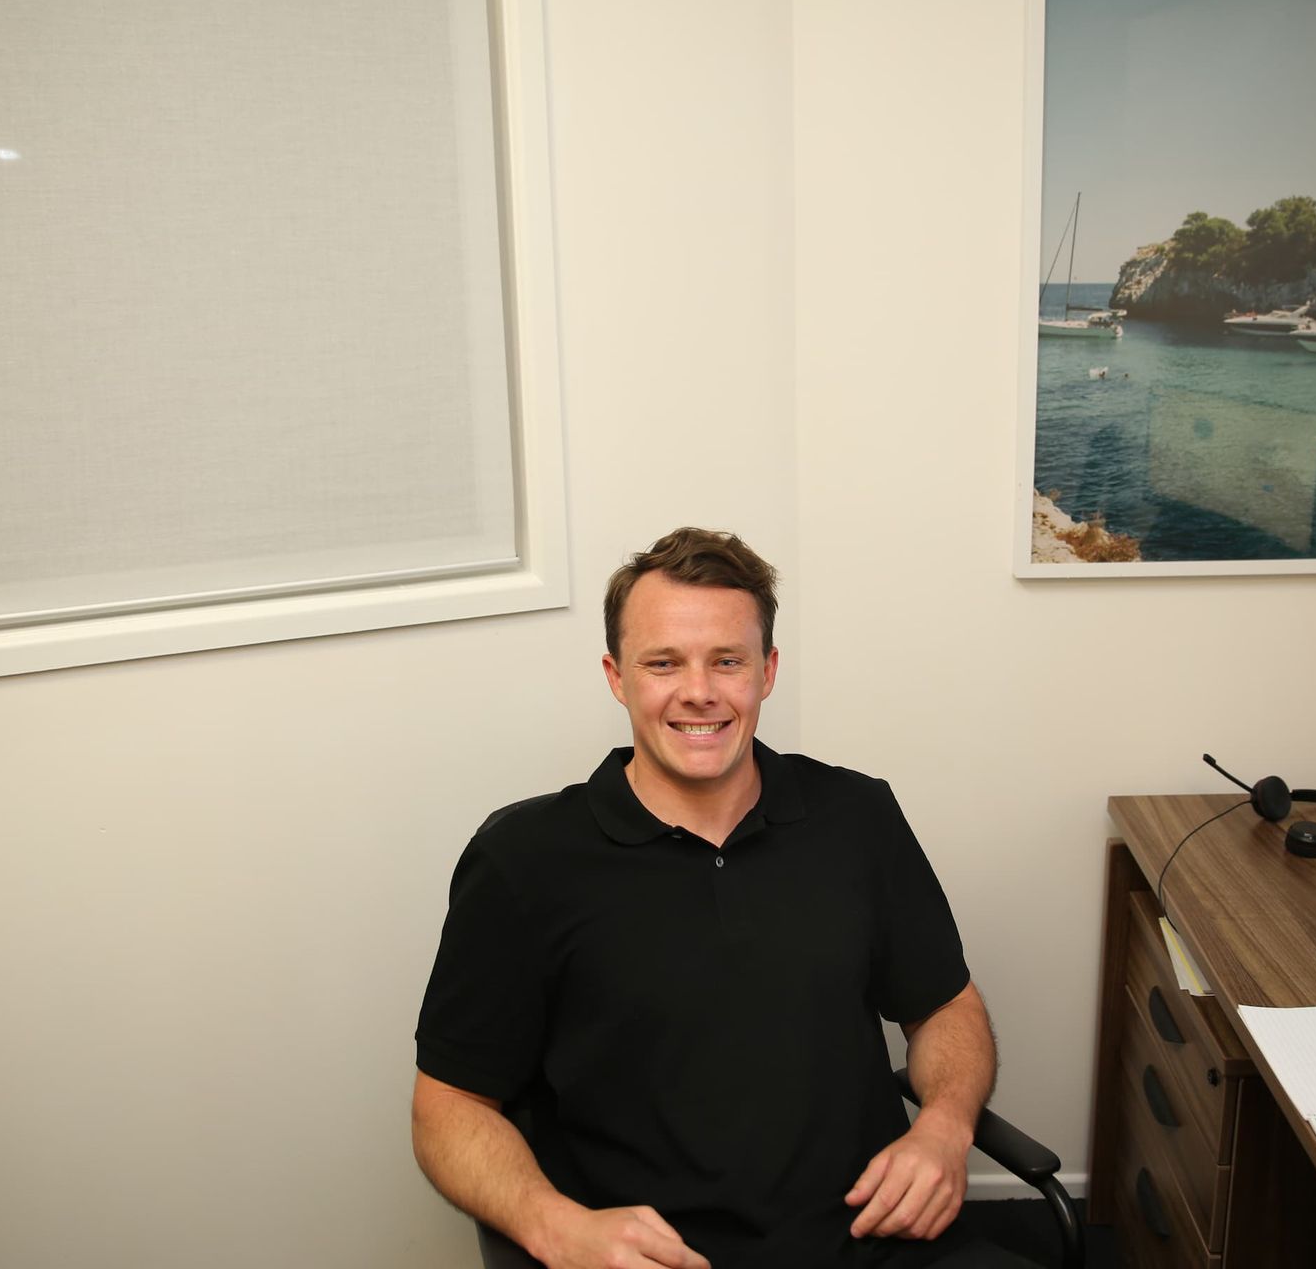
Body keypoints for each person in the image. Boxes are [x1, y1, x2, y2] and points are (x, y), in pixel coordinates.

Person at [412, 528, 1032, 1268]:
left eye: (727, 661)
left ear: (767, 672)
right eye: (663, 663)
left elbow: (945, 1004)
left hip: (876, 1239)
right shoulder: (524, 861)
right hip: (659, 1258)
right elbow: (449, 1105)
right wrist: (552, 1225)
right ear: (617, 676)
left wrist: (945, 1127)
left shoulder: (857, 816)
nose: (699, 691)